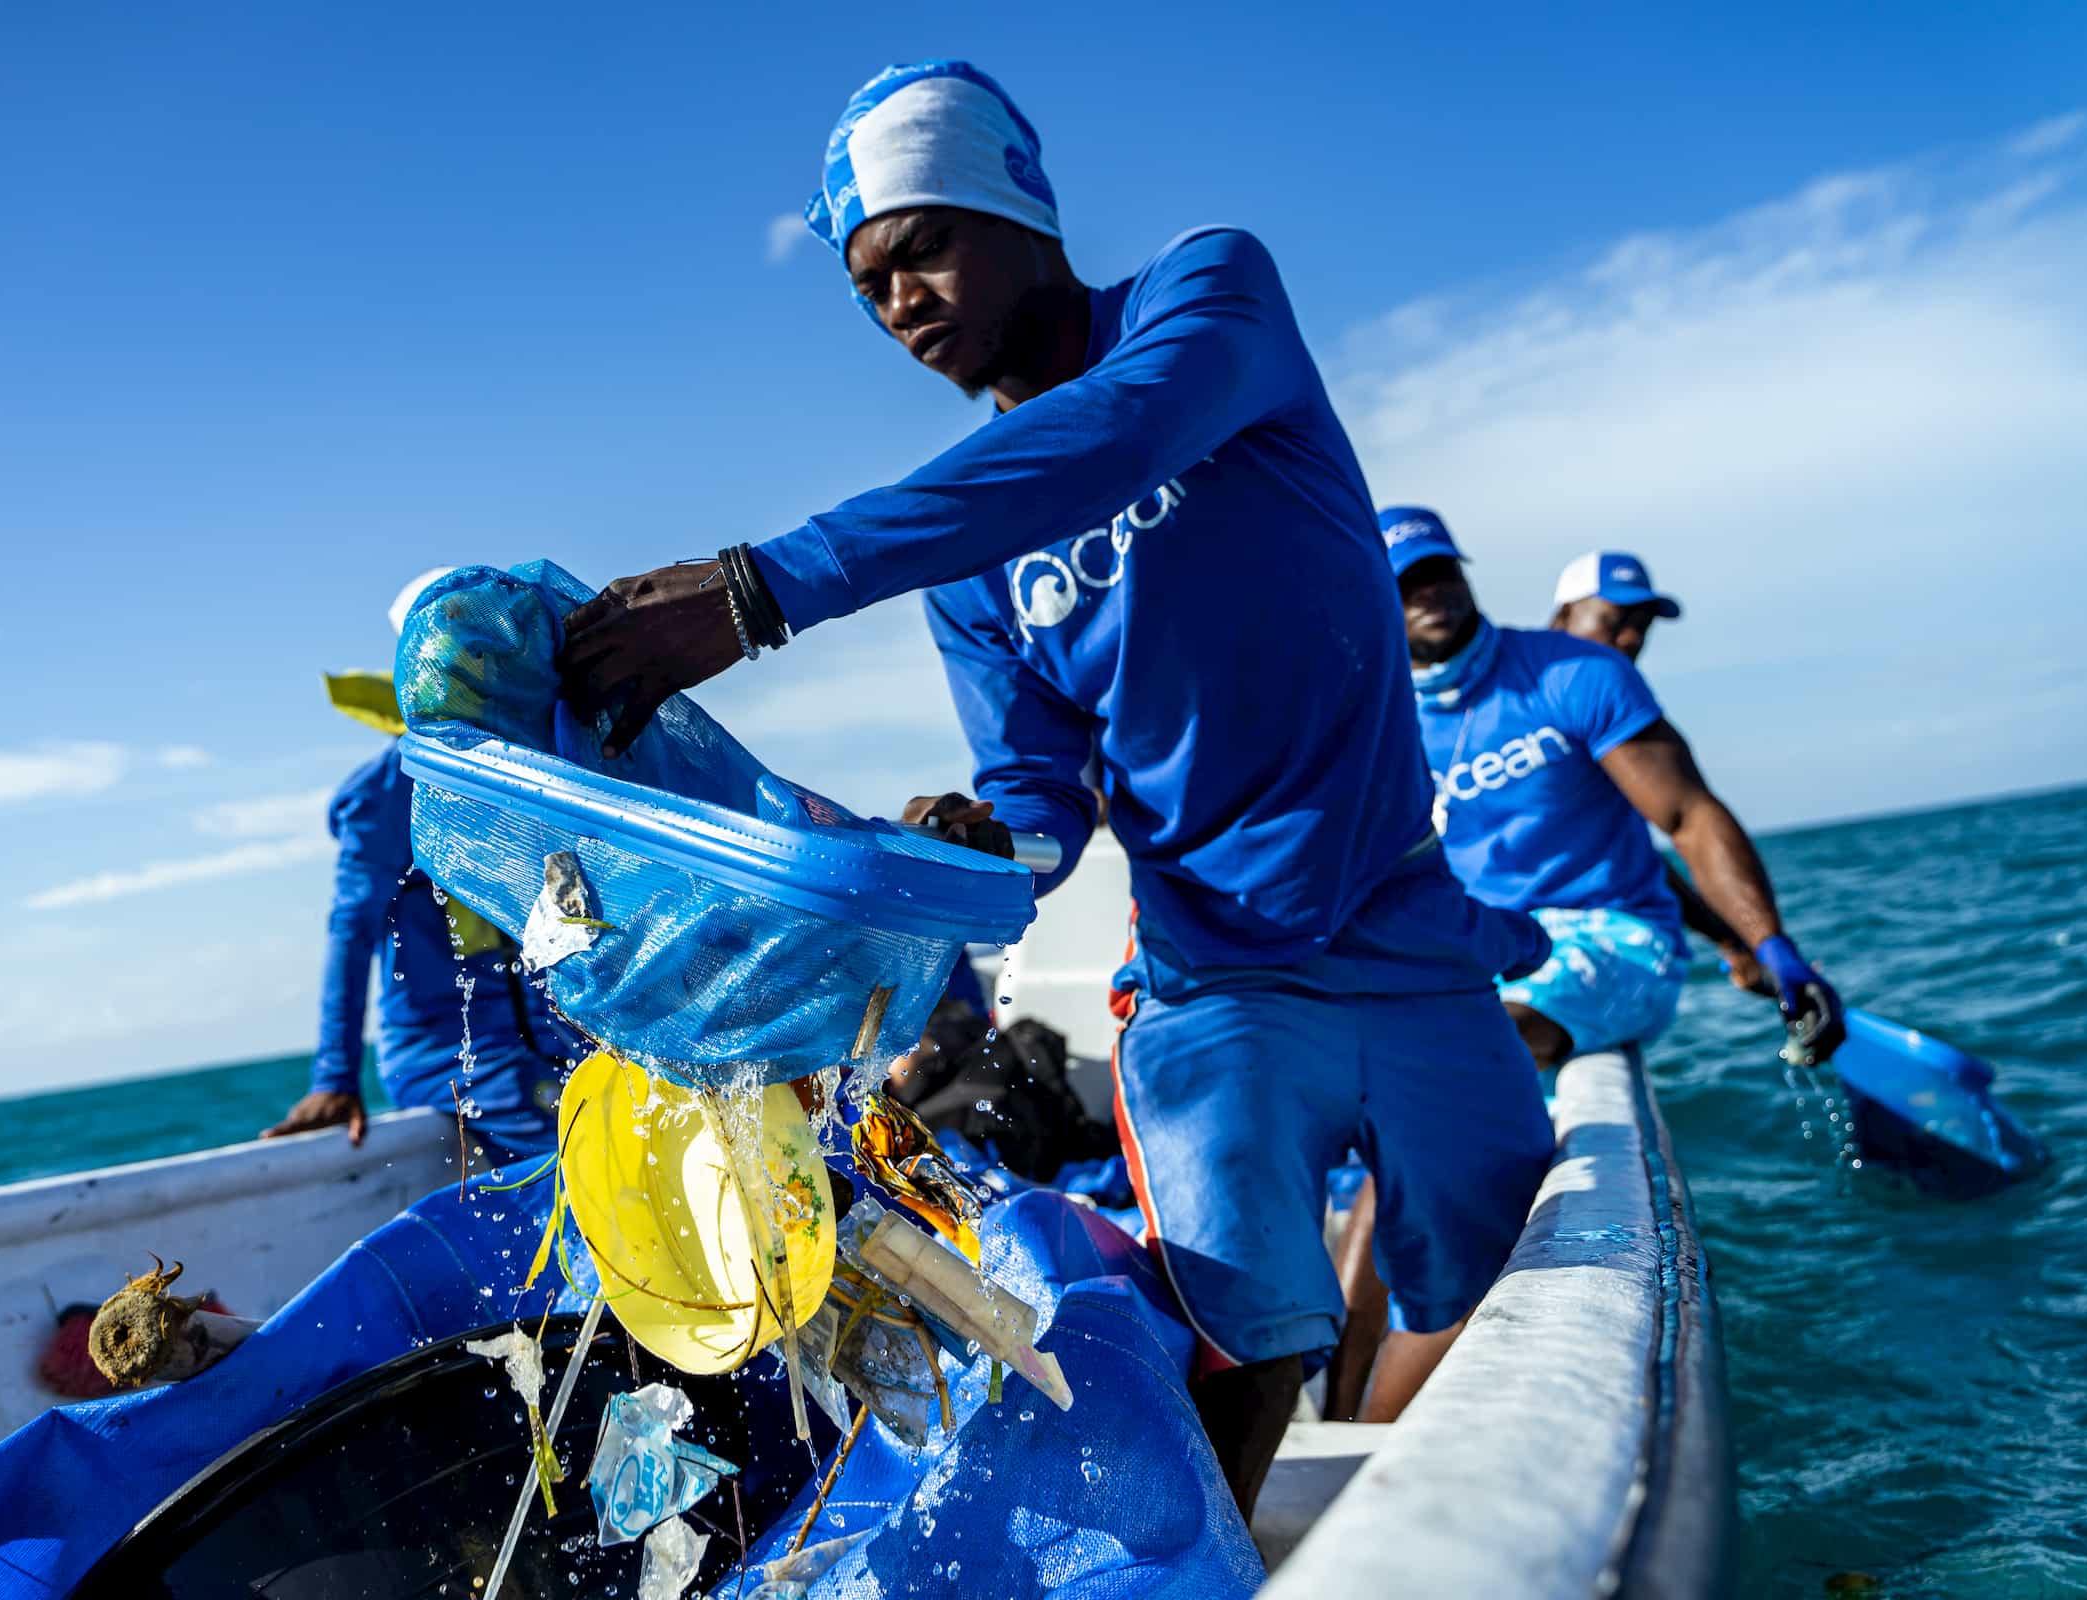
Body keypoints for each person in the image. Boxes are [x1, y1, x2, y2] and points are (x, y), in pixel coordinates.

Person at [552, 60, 1556, 1516]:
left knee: (1507, 1291)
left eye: (924, 248)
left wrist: (765, 589)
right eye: (868, 288)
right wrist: (986, 835)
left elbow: (1122, 433)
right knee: (1242, 1348)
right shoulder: (969, 559)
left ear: (1021, 208)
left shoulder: (1210, 301)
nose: (900, 302)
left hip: (1412, 940)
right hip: (1217, 981)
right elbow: (1043, 793)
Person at [1388, 509, 1846, 1068]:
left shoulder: (1579, 675)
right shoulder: (1377, 725)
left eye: (1442, 571)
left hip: (1611, 939)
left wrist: (1771, 946)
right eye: (1408, 580)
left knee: (1457, 1048)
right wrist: (1734, 941)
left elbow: (1687, 819)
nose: (1430, 592)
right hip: (1480, 946)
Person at [265, 570, 578, 1172]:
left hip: (554, 1046)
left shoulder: (534, 768)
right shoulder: (385, 794)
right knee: (577, 1159)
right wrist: (335, 1077)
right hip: (456, 1059)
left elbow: (573, 915)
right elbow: (350, 934)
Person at [1548, 549, 1766, 989]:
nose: (1630, 638)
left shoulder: (1609, 721)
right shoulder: (1531, 704)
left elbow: (1646, 855)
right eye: (1614, 620)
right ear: (1564, 617)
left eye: (1642, 625)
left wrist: (1739, 940)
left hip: (1590, 961)